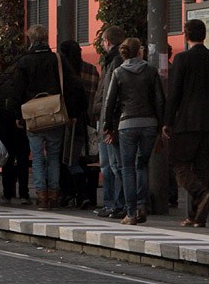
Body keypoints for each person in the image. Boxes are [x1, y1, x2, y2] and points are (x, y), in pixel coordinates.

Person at [162, 19, 209, 228]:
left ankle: (203, 194)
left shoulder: (183, 59)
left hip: (187, 121)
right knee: (203, 165)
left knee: (179, 162)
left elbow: (174, 93)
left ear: (185, 35)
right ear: (204, 35)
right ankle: (196, 215)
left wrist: (167, 121)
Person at [13, 24, 79, 210]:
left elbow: (17, 89)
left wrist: (18, 115)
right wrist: (72, 113)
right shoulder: (57, 59)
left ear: (31, 39)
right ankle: (54, 195)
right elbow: (71, 86)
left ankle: (41, 196)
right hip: (54, 113)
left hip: (33, 115)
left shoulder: (24, 61)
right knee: (53, 156)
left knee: (37, 157)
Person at [103, 38, 165, 226]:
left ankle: (130, 213)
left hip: (127, 124)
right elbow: (160, 100)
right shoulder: (151, 71)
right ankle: (142, 205)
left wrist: (108, 125)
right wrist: (161, 126)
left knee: (127, 168)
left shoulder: (119, 72)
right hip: (149, 124)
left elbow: (110, 101)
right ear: (139, 52)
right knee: (142, 165)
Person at [91, 25, 126, 219]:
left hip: (108, 119)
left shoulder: (113, 61)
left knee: (112, 164)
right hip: (106, 117)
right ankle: (112, 203)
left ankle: (114, 204)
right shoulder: (112, 60)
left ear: (108, 41)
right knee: (109, 164)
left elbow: (108, 94)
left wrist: (104, 119)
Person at [58, 40, 94, 209]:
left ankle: (77, 194)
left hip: (68, 122)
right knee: (82, 159)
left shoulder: (63, 76)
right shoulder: (91, 70)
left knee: (67, 160)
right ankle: (82, 194)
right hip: (87, 122)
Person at [0, 49, 32, 205]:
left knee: (7, 158)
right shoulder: (25, 80)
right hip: (21, 121)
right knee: (23, 157)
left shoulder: (2, 80)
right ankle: (24, 194)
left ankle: (7, 193)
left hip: (4, 122)